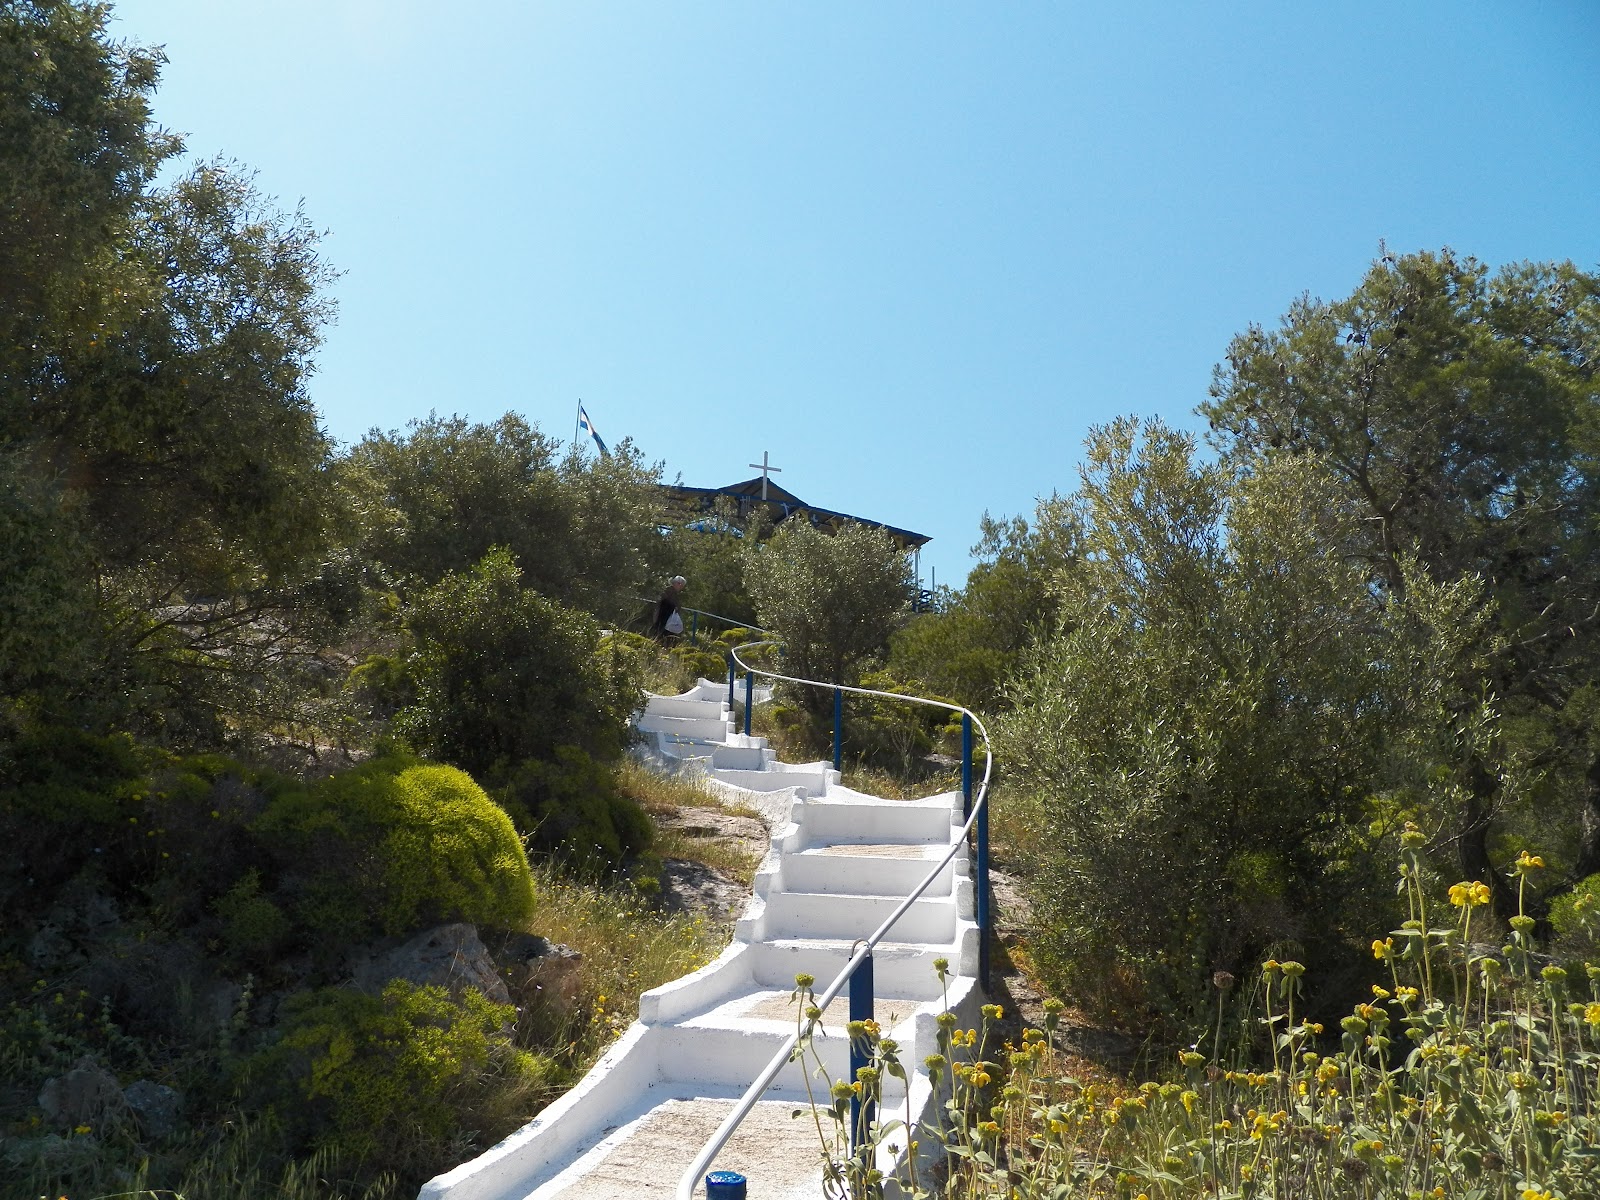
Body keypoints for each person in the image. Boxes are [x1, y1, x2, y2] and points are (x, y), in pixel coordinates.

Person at [652, 576, 687, 642]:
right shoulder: (670, 592)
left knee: (660, 634)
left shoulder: (668, 591)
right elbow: (671, 603)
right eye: (681, 585)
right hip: (664, 617)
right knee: (662, 635)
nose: (681, 588)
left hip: (663, 617)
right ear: (677, 584)